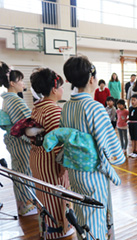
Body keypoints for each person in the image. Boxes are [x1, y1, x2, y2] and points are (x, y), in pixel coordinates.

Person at [61, 56, 126, 240]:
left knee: (82, 215)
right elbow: (108, 144)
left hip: (75, 171)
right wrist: (118, 158)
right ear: (91, 79)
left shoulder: (66, 107)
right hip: (92, 173)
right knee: (95, 220)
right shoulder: (94, 107)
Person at [29, 68, 73, 238]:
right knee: (56, 194)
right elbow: (58, 143)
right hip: (50, 161)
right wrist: (63, 167)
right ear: (54, 89)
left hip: (37, 157)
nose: (63, 90)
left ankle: (47, 228)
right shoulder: (54, 110)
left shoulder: (38, 107)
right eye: (61, 86)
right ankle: (59, 229)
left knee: (43, 194)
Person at [0, 62, 37, 216]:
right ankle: (27, 207)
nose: (23, 83)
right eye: (20, 80)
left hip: (14, 143)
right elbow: (28, 124)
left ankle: (24, 207)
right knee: (25, 173)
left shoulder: (8, 99)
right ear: (12, 83)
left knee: (20, 173)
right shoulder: (15, 100)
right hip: (21, 144)